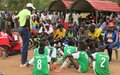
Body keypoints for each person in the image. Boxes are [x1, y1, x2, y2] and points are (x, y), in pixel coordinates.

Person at [15, 3, 35, 67]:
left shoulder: (21, 11)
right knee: (25, 46)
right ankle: (23, 63)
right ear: (29, 8)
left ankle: (25, 60)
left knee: (25, 45)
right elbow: (27, 18)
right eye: (31, 8)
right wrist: (28, 28)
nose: (32, 10)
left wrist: (18, 27)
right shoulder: (28, 11)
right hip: (25, 29)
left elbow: (15, 19)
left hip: (20, 29)